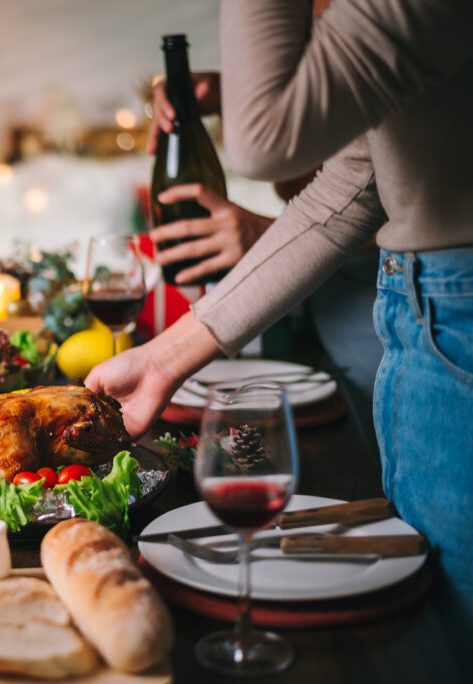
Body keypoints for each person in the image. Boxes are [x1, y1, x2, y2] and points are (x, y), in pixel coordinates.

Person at [88, 0, 473, 633]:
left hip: (453, 311)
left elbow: (262, 140)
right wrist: (161, 360)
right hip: (422, 311)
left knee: (448, 628)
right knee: (431, 617)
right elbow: (357, 181)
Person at [145, 68, 382, 461]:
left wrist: (265, 233)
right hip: (323, 287)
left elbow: (382, 193)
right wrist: (237, 93)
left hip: (385, 286)